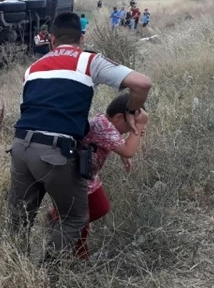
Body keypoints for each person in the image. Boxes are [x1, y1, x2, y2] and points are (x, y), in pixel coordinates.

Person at [7, 12, 152, 264]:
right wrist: (130, 111)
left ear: (51, 39)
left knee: (20, 216)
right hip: (55, 152)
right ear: (81, 38)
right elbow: (142, 83)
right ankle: (45, 270)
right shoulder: (88, 61)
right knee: (75, 218)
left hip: (20, 147)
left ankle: (13, 267)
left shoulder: (32, 69)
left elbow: (26, 108)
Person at [48, 92, 149, 260]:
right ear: (119, 117)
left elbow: (112, 142)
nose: (134, 128)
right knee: (88, 214)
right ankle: (58, 220)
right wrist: (138, 128)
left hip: (84, 174)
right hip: (77, 177)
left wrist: (122, 150)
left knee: (84, 216)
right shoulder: (105, 127)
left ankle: (79, 254)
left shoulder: (103, 120)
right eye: (131, 124)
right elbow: (129, 151)